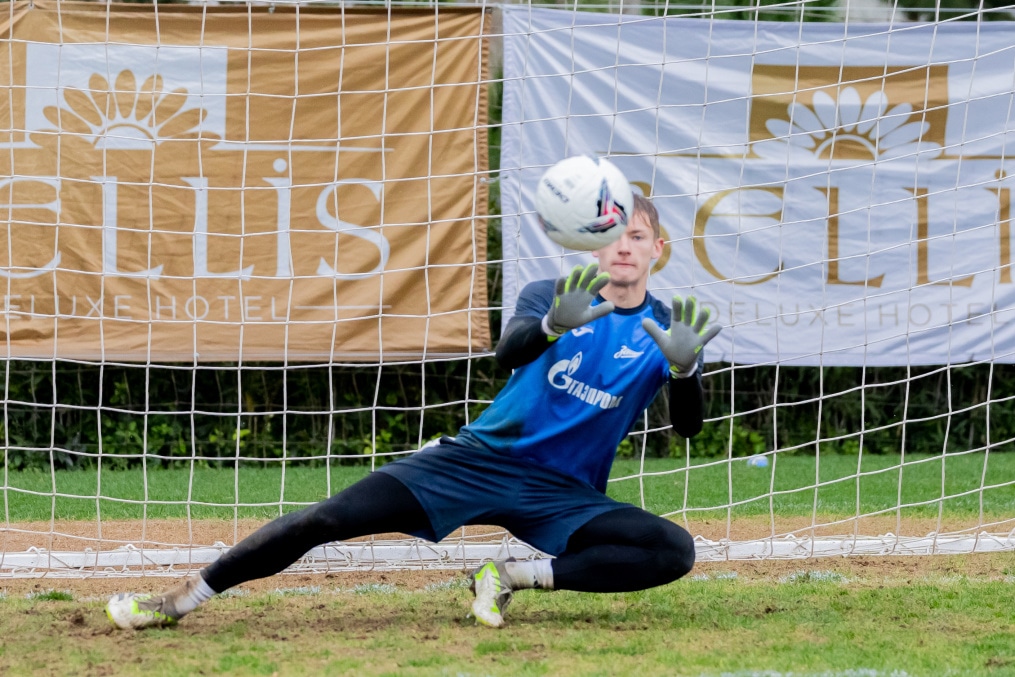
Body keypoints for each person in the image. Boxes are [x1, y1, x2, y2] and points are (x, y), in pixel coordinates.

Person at [105, 193, 722, 630]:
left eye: (636, 236)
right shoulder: (554, 295)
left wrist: (686, 370)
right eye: (611, 235)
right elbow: (509, 353)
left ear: (657, 248)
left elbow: (690, 427)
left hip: (564, 493)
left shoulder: (669, 329)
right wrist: (551, 326)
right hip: (476, 461)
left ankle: (511, 575)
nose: (623, 247)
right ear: (590, 242)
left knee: (672, 550)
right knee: (325, 519)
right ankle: (178, 601)